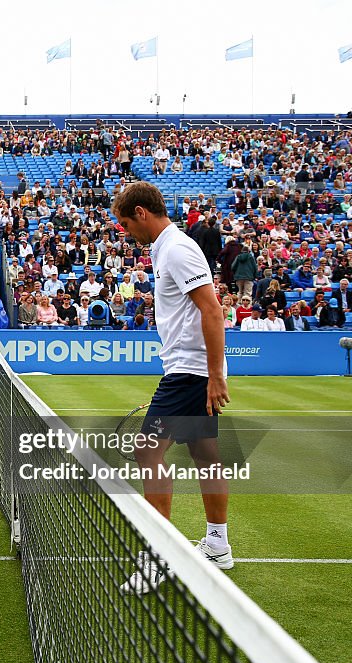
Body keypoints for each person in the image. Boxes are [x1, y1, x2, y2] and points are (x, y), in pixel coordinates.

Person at [111, 182, 231, 595]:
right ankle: (217, 544)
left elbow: (212, 310)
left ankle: (157, 555)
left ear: (142, 213)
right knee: (204, 454)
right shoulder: (163, 249)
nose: (126, 231)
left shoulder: (177, 249)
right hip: (191, 369)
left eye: (126, 224)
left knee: (147, 450)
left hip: (190, 371)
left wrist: (214, 375)